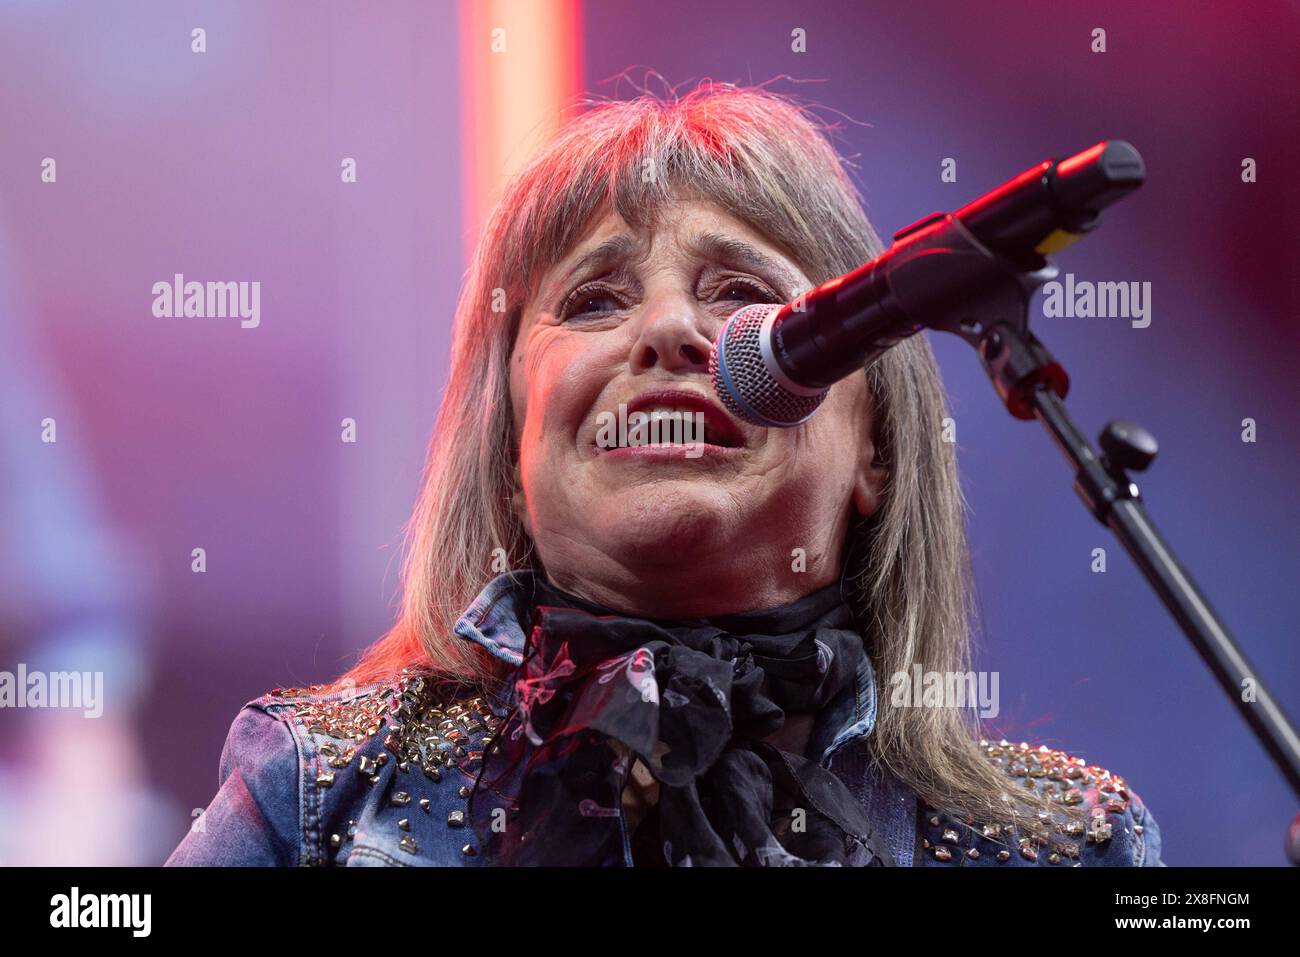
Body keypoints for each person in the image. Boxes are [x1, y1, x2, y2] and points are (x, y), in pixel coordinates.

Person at [166, 83, 1162, 867]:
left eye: (741, 295)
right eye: (595, 301)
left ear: (876, 451)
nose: (671, 331)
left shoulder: (1062, 844)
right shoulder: (320, 790)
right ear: (510, 451)